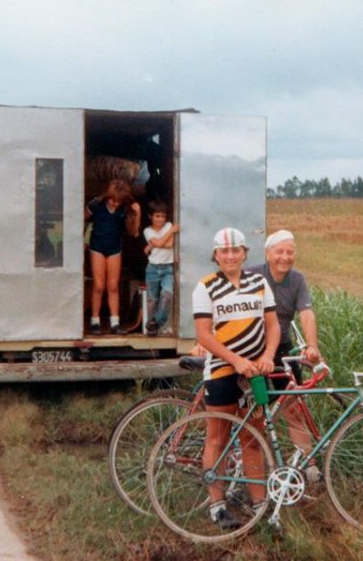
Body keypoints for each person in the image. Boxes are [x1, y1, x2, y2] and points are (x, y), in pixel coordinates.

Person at [192, 227, 280, 530]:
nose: (230, 256)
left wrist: (268, 355)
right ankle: (217, 507)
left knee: (252, 439)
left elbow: (273, 325)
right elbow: (204, 335)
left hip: (254, 373)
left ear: (245, 253)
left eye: (236, 250)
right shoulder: (205, 287)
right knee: (217, 439)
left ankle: (259, 503)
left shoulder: (259, 283)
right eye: (224, 251)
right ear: (216, 255)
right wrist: (236, 361)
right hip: (222, 371)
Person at [247, 229, 322, 481]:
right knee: (254, 409)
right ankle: (252, 462)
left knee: (294, 407)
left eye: (290, 252)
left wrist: (312, 346)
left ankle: (308, 464)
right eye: (279, 251)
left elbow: (306, 313)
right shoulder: (253, 276)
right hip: (252, 348)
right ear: (268, 254)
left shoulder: (297, 280)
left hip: (281, 348)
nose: (285, 257)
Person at [85, 179, 140, 335]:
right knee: (98, 285)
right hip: (97, 247)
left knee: (113, 286)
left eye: (118, 201)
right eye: (113, 200)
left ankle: (114, 323)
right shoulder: (96, 205)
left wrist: (137, 213)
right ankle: (95, 321)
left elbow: (134, 232)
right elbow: (81, 218)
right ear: (107, 196)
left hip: (114, 248)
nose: (115, 204)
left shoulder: (124, 209)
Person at [142, 201, 179, 336]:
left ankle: (155, 322)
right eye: (157, 216)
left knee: (167, 294)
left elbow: (170, 244)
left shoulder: (168, 225)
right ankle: (152, 329)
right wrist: (170, 232)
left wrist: (153, 245)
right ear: (150, 216)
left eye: (163, 216)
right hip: (152, 268)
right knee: (152, 300)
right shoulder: (147, 230)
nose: (161, 219)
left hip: (167, 268)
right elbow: (160, 242)